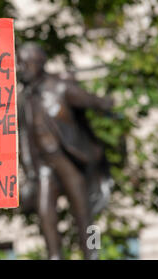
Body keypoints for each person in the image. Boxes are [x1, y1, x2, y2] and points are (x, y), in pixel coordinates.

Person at [17, 42, 114, 259]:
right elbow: (23, 136)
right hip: (42, 165)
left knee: (84, 212)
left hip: (68, 160)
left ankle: (92, 253)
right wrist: (29, 169)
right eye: (19, 63)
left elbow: (92, 101)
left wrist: (108, 102)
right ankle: (54, 256)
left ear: (38, 63)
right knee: (45, 213)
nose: (20, 68)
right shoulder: (23, 98)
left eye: (24, 63)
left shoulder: (60, 87)